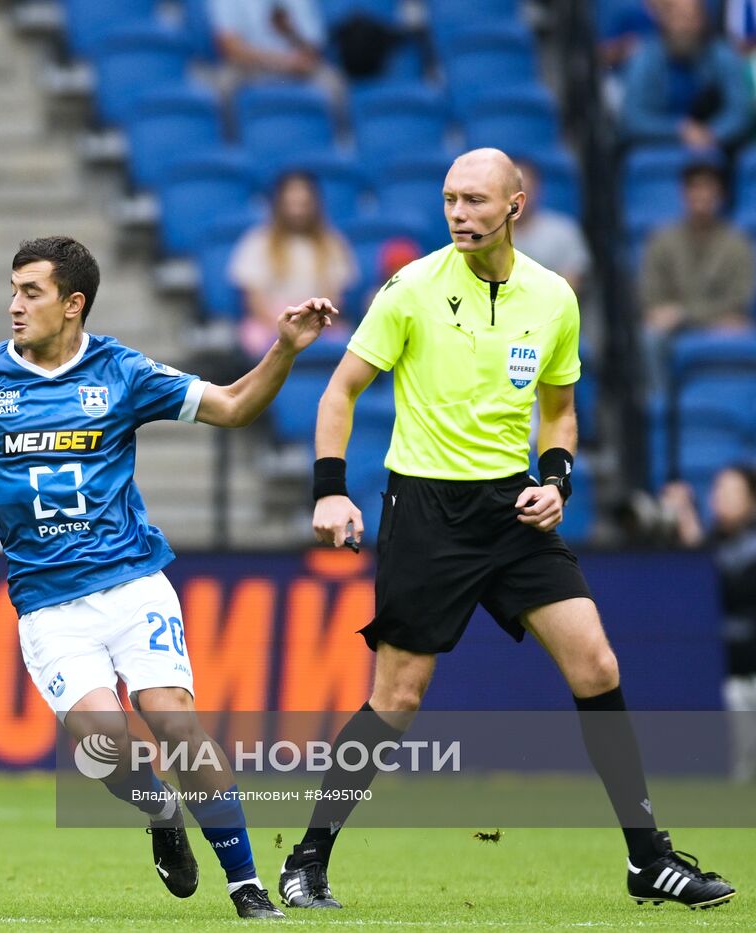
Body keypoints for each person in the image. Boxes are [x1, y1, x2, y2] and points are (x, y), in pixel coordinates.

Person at [280, 149, 736, 911]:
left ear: (515, 207)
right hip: (426, 510)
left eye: (476, 200)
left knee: (596, 663)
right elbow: (339, 392)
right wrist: (329, 492)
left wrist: (555, 480)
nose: (459, 213)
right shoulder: (413, 289)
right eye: (450, 198)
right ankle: (308, 857)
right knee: (397, 696)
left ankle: (649, 858)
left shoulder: (554, 298)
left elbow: (559, 408)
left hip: (512, 509)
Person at [0, 236, 337, 920]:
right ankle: (159, 808)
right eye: (12, 289)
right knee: (103, 743)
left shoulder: (120, 371)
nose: (13, 305)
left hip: (131, 581)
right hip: (47, 601)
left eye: (30, 292)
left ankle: (247, 887)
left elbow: (235, 406)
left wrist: (284, 349)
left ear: (73, 304)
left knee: (176, 724)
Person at [660, 465, 756, 781]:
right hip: (726, 678)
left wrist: (689, 526)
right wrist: (682, 517)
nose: (720, 499)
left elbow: (728, 582)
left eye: (731, 492)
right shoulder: (712, 540)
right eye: (717, 490)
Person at [228, 171, 356, 358]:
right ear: (278, 205)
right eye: (290, 203)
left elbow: (335, 297)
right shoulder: (257, 241)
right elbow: (253, 299)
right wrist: (283, 327)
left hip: (319, 322)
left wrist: (311, 323)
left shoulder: (332, 243)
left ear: (315, 204)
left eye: (303, 204)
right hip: (270, 324)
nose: (297, 211)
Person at [640, 160, 755, 338]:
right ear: (684, 193)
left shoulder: (737, 242)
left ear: (720, 195)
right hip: (675, 326)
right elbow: (651, 297)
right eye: (694, 188)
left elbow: (739, 299)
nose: (701, 195)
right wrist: (671, 315)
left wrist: (686, 314)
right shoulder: (662, 239)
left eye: (708, 188)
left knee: (741, 329)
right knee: (650, 335)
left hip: (718, 323)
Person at [621, 0, 752, 152]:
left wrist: (712, 134)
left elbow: (739, 112)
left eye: (692, 18)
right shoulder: (644, 59)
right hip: (659, 149)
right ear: (664, 20)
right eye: (678, 18)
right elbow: (634, 119)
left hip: (716, 149)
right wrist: (680, 130)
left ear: (703, 20)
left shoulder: (723, 56)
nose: (685, 27)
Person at [511, 159, 591, 299]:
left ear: (538, 190)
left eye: (525, 192)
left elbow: (571, 287)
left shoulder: (564, 231)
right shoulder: (486, 235)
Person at [209, 0, 329, 82]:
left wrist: (289, 31)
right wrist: (283, 62)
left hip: (298, 67)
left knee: (333, 86)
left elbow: (313, 49)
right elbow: (230, 47)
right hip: (247, 67)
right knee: (222, 85)